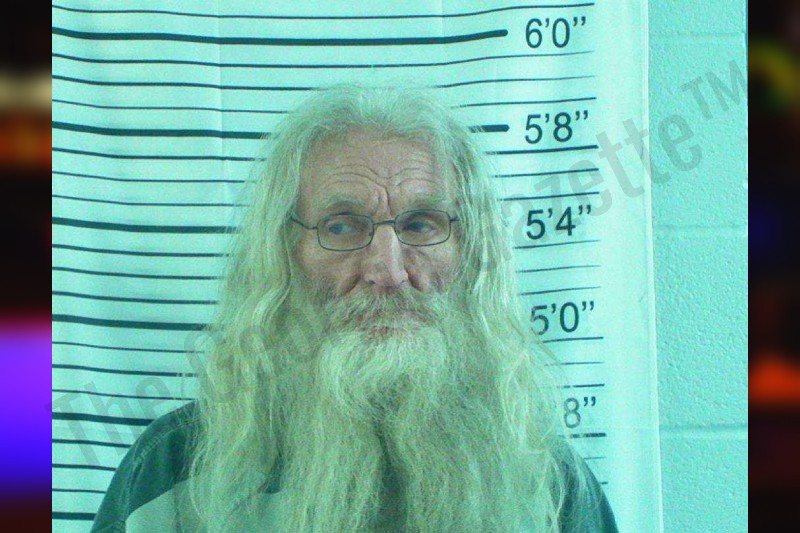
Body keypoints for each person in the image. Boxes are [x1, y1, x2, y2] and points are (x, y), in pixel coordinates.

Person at [91, 84, 618, 532]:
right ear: (285, 253)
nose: (388, 271)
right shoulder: (171, 474)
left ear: (471, 252)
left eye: (421, 225)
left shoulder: (544, 483)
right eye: (341, 227)